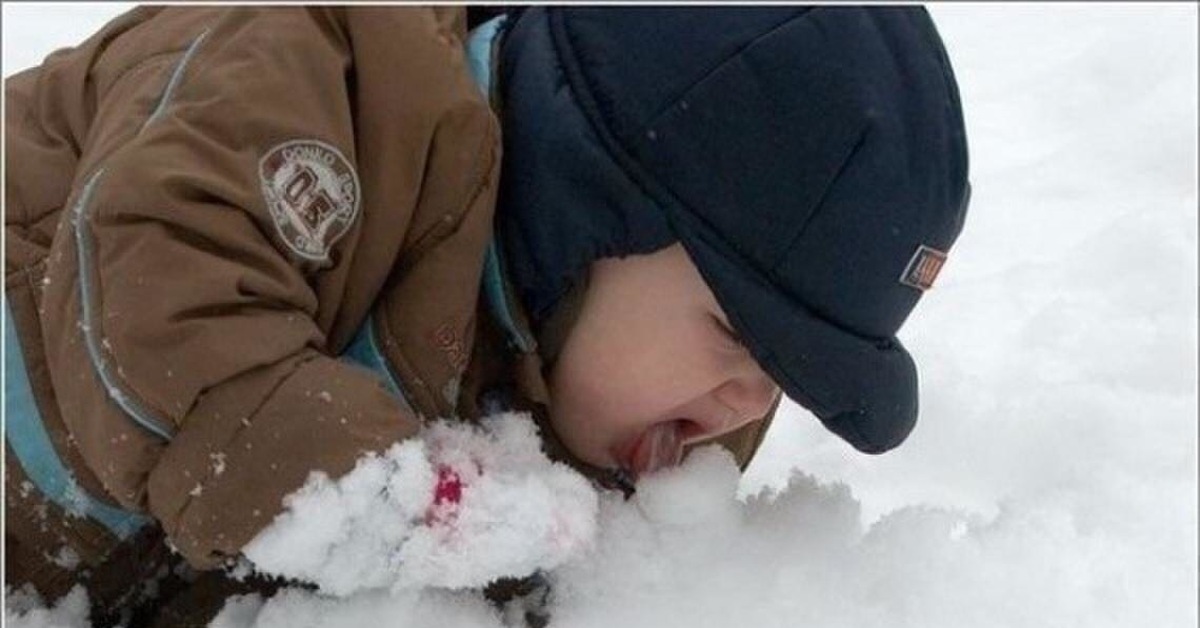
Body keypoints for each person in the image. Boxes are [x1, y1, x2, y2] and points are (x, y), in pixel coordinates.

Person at [3, 5, 970, 626]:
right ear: (590, 208)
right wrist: (434, 520)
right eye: (739, 336)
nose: (740, 404)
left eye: (792, 376)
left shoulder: (610, 384)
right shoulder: (320, 66)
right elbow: (158, 321)